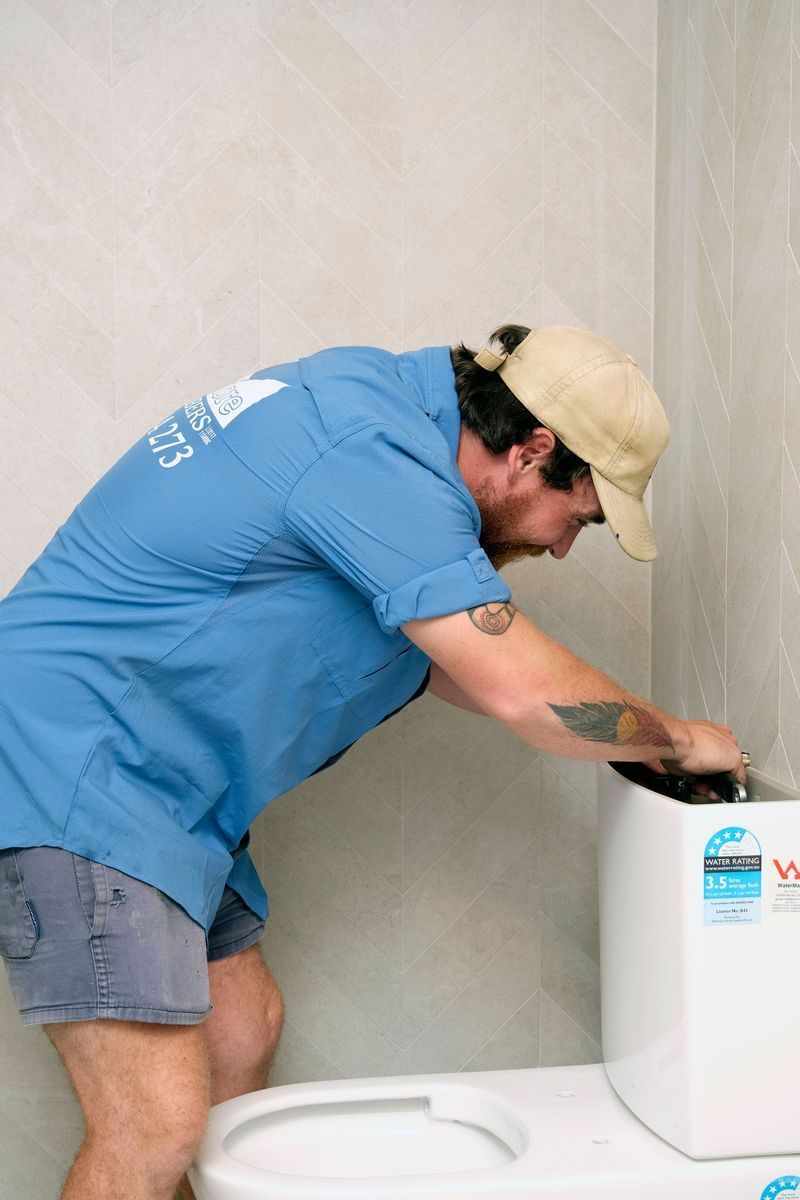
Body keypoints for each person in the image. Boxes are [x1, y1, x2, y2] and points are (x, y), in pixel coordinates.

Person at [0, 323, 744, 1200]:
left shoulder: (386, 421)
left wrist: (634, 741)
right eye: (576, 515)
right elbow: (523, 693)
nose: (561, 547)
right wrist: (681, 737)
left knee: (242, 1037)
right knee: (151, 1128)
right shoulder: (373, 453)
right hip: (79, 770)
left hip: (170, 784)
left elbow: (449, 663)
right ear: (533, 451)